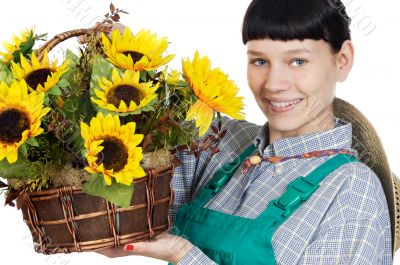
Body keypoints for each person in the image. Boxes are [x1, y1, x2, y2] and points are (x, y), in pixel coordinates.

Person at [97, 0, 393, 264]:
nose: (274, 84)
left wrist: (183, 255)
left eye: (298, 61)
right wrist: (124, 59)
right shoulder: (226, 143)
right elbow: (151, 132)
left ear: (342, 60)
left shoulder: (352, 192)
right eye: (260, 61)